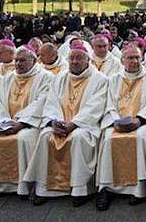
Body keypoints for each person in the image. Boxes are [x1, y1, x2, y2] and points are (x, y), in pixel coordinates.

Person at [24, 43, 108, 207]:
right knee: (45, 136)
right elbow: (52, 101)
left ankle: (79, 190)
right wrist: (54, 121)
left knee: (78, 138)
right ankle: (44, 189)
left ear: (88, 60)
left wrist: (74, 124)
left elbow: (96, 106)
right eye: (72, 58)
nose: (75, 62)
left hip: (85, 126)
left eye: (79, 58)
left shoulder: (100, 79)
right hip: (60, 123)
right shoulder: (60, 77)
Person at [0, 44, 53, 197]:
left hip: (30, 124)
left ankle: (25, 185)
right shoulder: (7, 79)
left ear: (33, 61)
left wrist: (21, 123)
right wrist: (4, 123)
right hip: (7, 123)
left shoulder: (46, 77)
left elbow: (42, 101)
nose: (18, 64)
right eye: (16, 60)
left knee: (22, 140)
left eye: (22, 61)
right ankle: (3, 185)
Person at [96, 44, 146, 210]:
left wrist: (138, 121)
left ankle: (138, 190)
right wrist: (116, 121)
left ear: (142, 58)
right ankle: (107, 188)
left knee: (140, 138)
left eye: (137, 57)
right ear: (122, 60)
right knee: (109, 139)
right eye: (130, 58)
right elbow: (109, 104)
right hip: (117, 123)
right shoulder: (113, 79)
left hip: (142, 122)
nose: (134, 61)